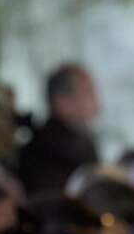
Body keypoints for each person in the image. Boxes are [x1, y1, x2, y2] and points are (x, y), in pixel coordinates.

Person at [18, 63, 101, 197]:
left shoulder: (78, 141)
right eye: (87, 92)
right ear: (62, 101)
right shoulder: (47, 151)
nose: (97, 103)